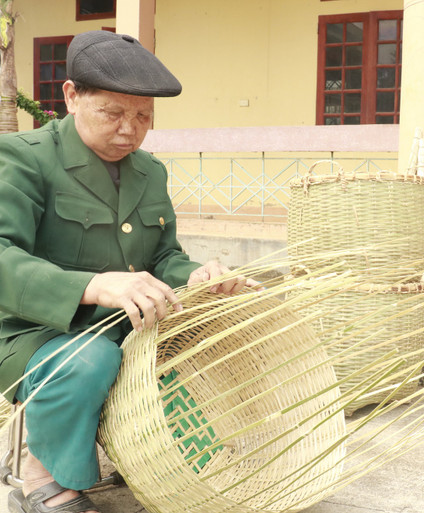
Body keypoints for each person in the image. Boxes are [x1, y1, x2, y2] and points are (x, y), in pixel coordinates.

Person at [0, 30, 250, 513]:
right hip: (32, 332)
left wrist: (199, 274)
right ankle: (42, 476)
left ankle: (158, 464)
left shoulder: (149, 171)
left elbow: (162, 259)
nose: (129, 130)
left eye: (143, 117)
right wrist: (94, 285)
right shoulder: (23, 158)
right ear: (71, 97)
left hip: (126, 329)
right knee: (89, 360)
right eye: (113, 113)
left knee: (198, 355)